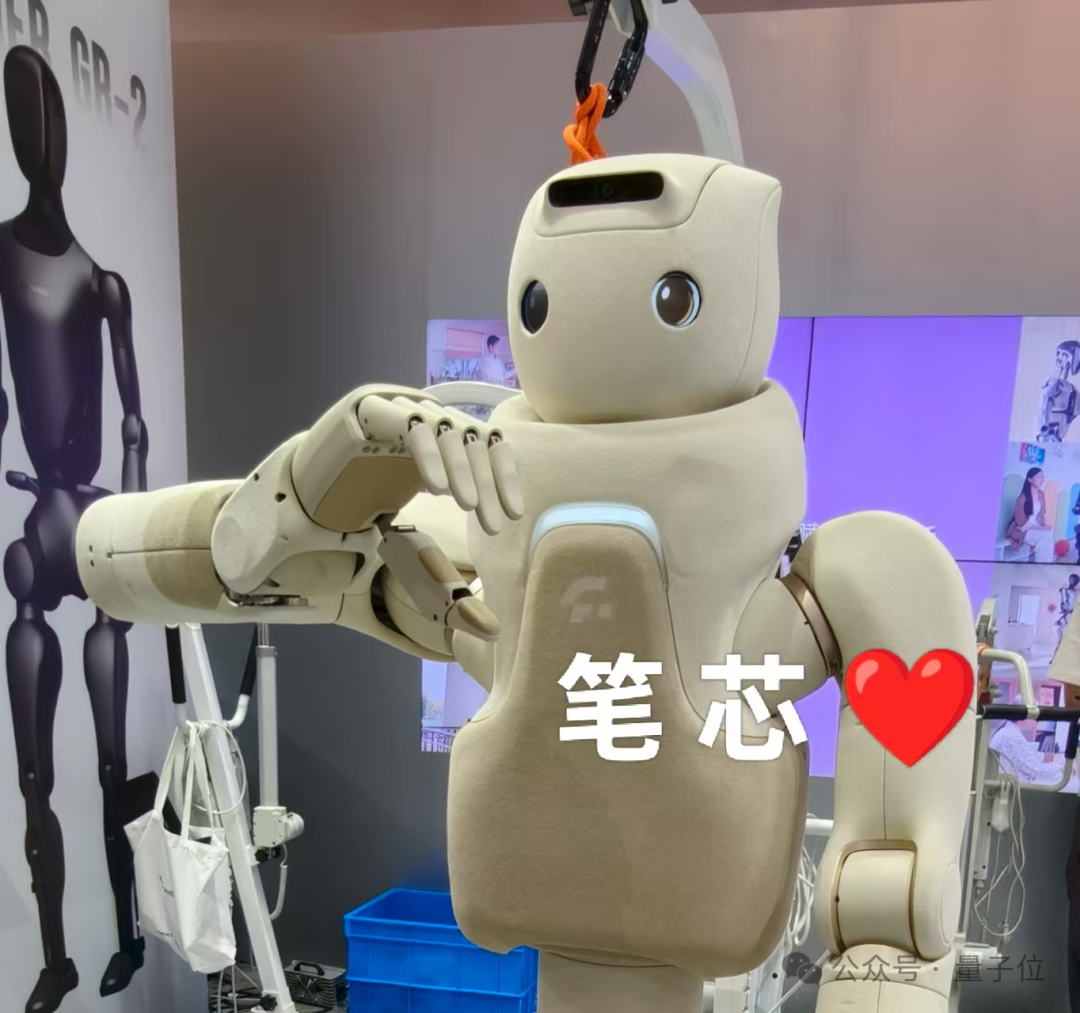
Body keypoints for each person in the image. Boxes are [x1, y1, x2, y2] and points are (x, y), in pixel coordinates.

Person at [1005, 467, 1056, 562]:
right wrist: (1041, 528)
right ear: (1030, 480)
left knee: (1049, 532)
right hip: (1021, 529)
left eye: (1042, 477)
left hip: (1036, 526)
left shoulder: (1041, 494)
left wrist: (1044, 525)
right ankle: (1043, 563)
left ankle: (1045, 561)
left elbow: (1041, 514)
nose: (1042, 479)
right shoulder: (1022, 498)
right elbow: (1021, 523)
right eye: (1039, 477)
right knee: (1044, 535)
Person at [1038, 340, 1080, 443]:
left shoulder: (1072, 390)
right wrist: (1045, 426)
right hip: (1050, 432)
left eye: (1065, 355)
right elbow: (1046, 398)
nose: (1060, 358)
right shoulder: (1054, 382)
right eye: (1059, 354)